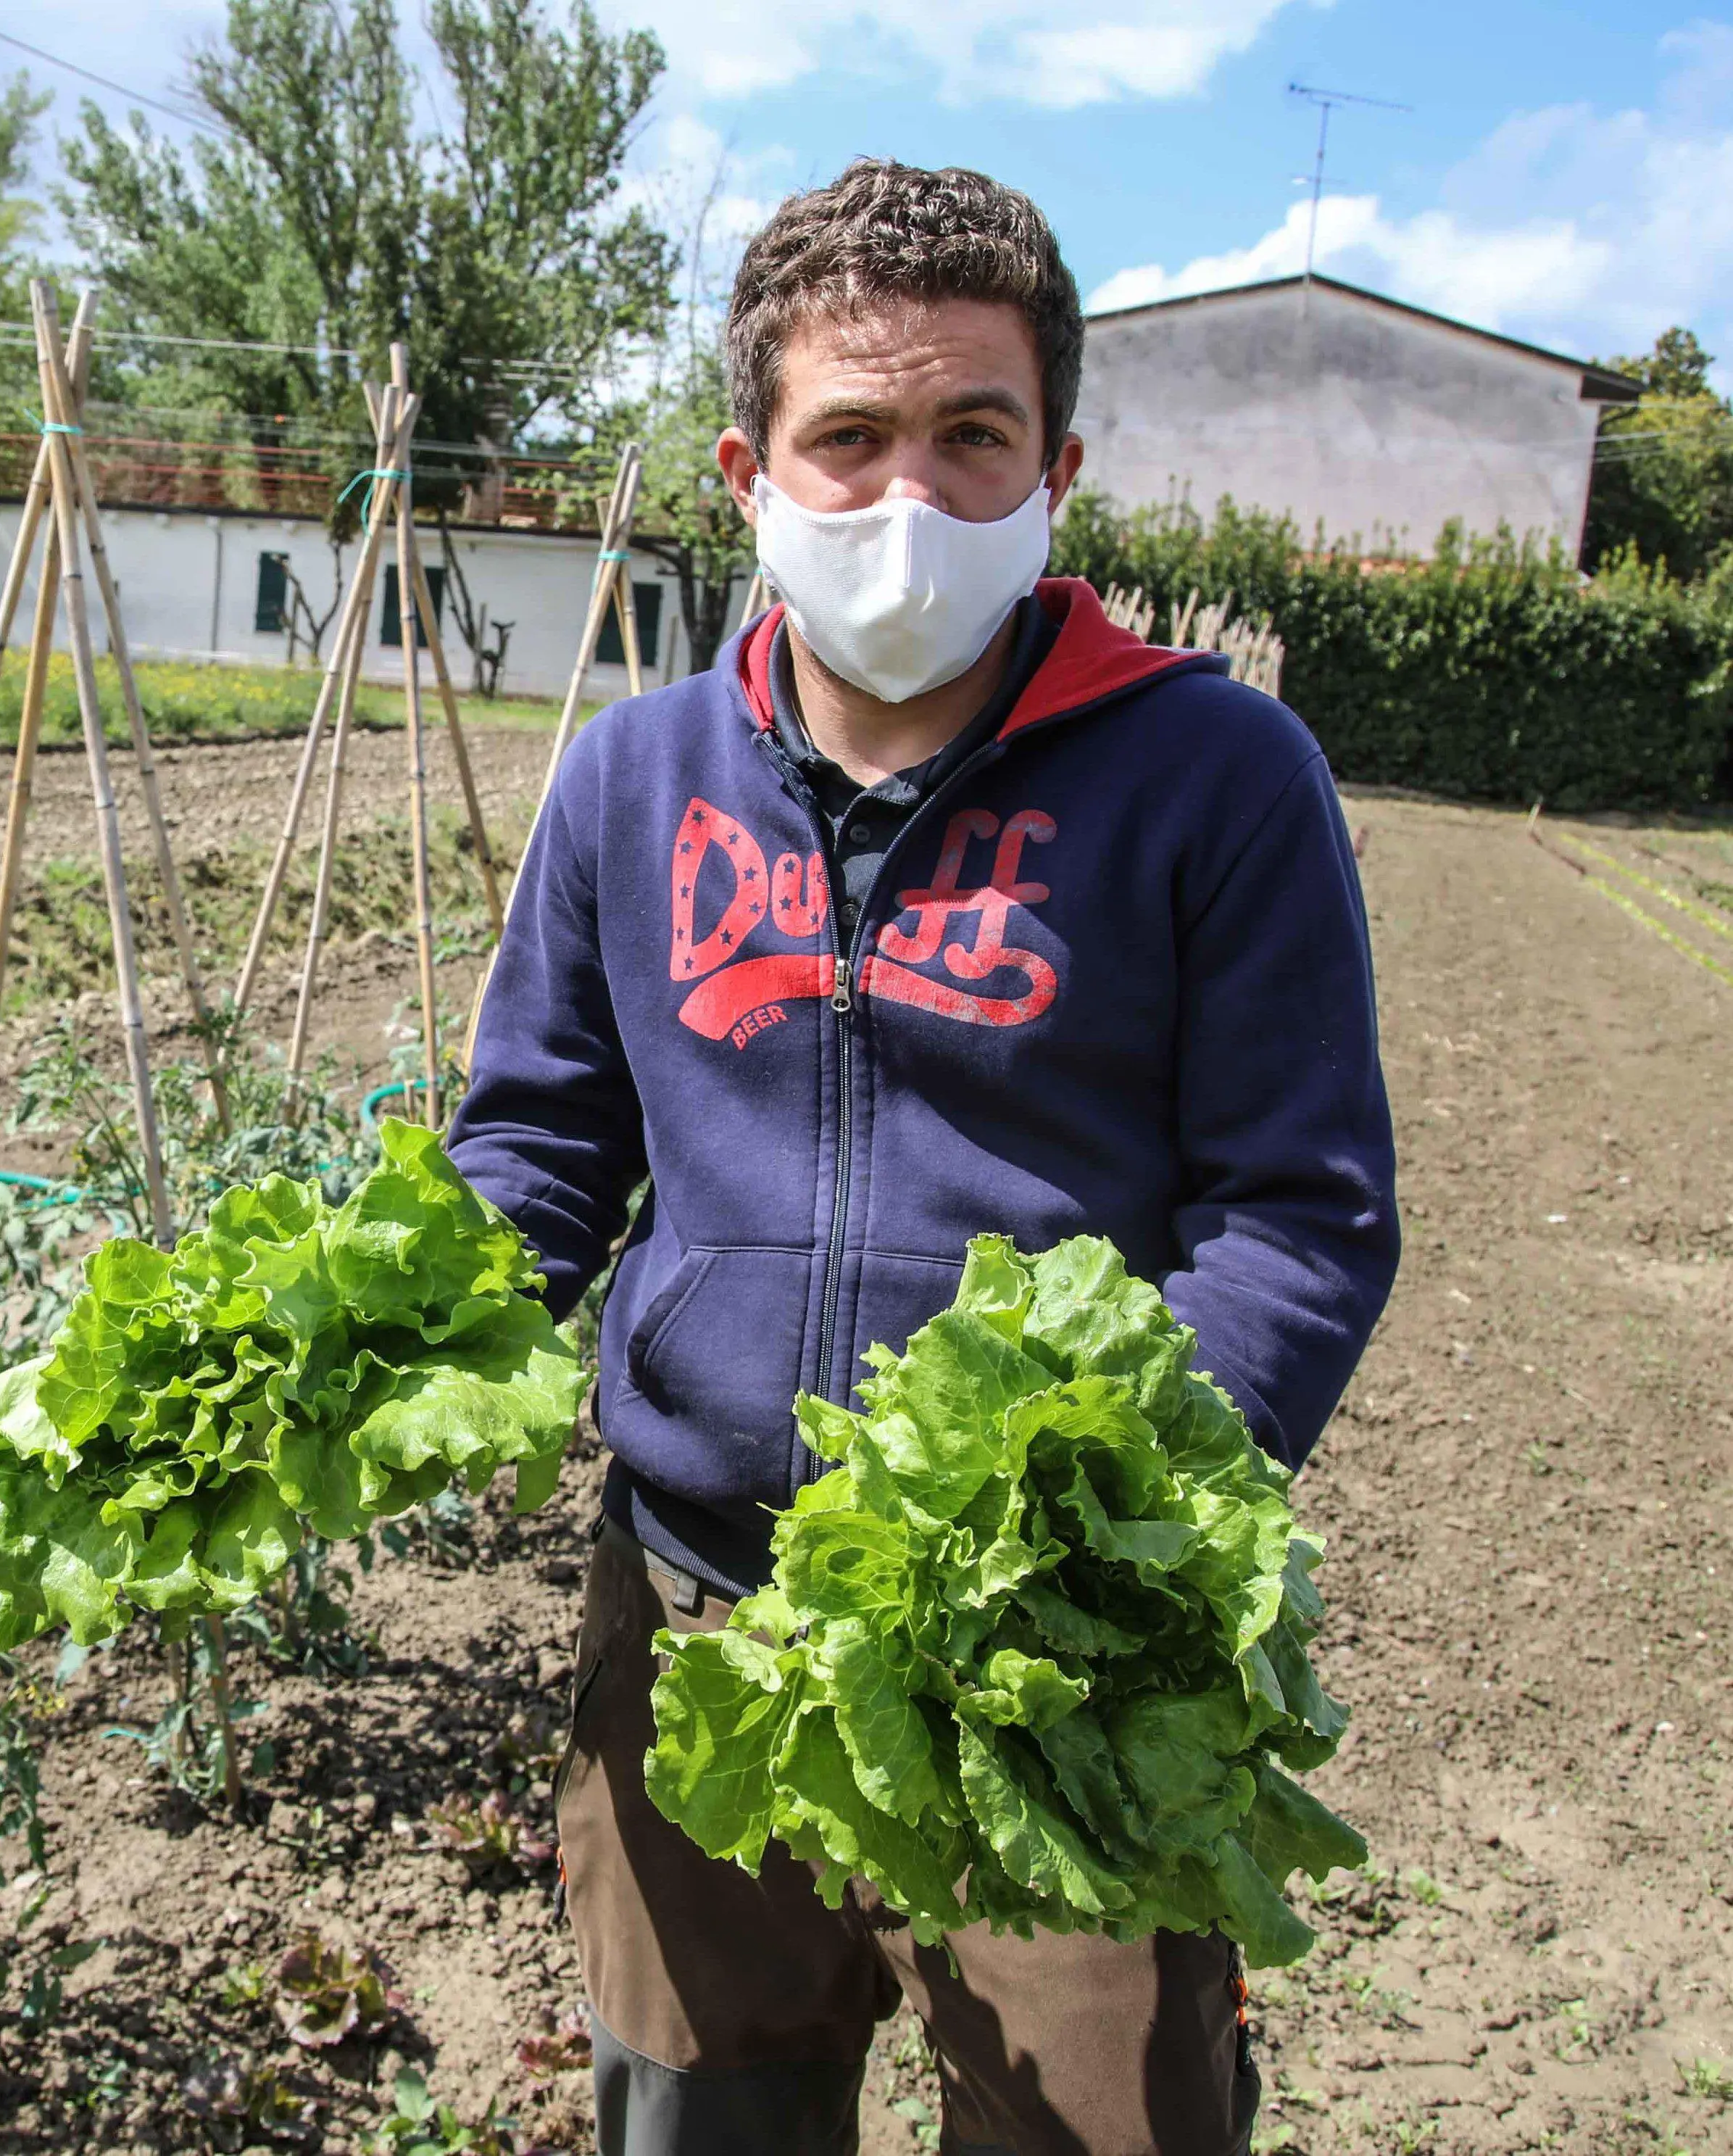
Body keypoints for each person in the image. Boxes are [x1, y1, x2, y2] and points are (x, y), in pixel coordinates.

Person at [448, 158, 1398, 2156]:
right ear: (747, 467)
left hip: (1057, 1674)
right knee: (701, 2116)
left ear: (1053, 463)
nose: (907, 497)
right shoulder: (632, 782)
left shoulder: (1214, 777)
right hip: (698, 1615)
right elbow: (539, 1139)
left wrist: (1069, 1533)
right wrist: (384, 1344)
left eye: (969, 436)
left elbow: (1294, 1214)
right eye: (848, 437)